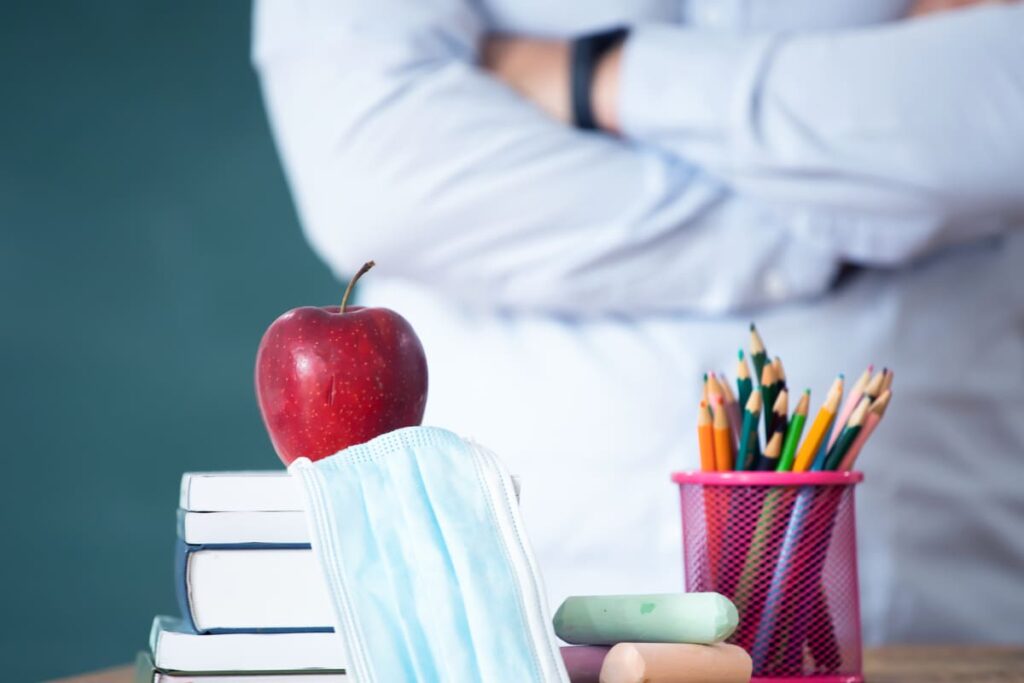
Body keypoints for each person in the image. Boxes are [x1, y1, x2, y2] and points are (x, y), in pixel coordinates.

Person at [252, 0, 1024, 644]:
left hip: (947, 607)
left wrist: (593, 77)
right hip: (507, 627)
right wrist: (865, 209)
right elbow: (375, 166)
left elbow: (1003, 105)